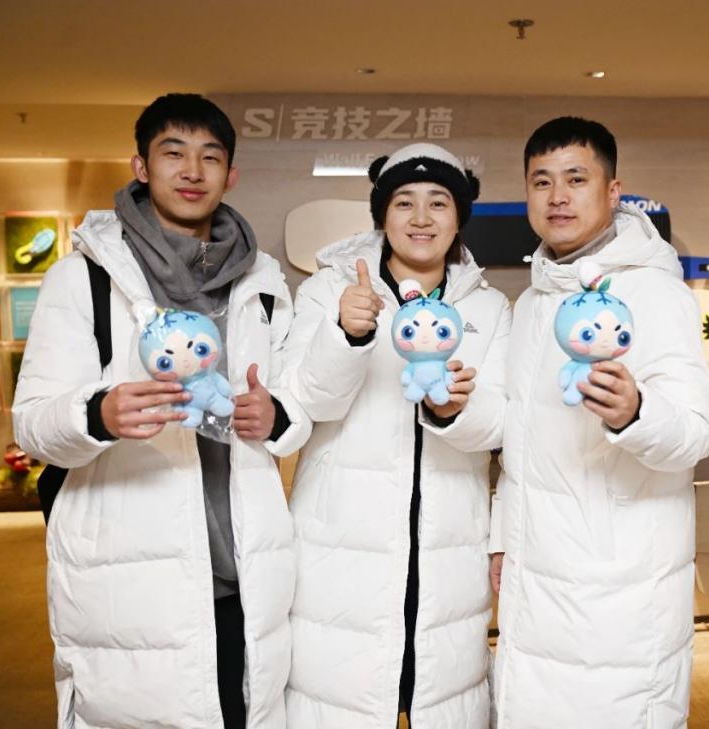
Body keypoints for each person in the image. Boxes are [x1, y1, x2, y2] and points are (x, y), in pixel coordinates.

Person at [12, 93, 309, 729]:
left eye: (210, 156)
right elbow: (32, 422)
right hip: (132, 573)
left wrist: (276, 417)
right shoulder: (85, 278)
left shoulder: (261, 283)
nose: (192, 171)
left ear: (231, 174)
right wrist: (100, 413)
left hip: (247, 570)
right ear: (141, 167)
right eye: (173, 153)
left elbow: (295, 407)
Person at [490, 117, 709, 728]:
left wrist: (636, 413)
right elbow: (520, 440)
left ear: (613, 192)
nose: (557, 196)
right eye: (541, 181)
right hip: (535, 579)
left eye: (576, 178)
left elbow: (695, 433)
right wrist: (503, 537)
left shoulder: (655, 293)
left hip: (621, 590)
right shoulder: (532, 303)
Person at [282, 143, 511, 728]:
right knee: (341, 698)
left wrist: (454, 410)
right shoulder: (329, 290)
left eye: (439, 203)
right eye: (404, 202)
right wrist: (347, 334)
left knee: (442, 694)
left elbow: (500, 423)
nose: (421, 218)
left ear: (458, 218)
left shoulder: (488, 307)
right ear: (382, 214)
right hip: (342, 549)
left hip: (447, 551)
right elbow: (304, 401)